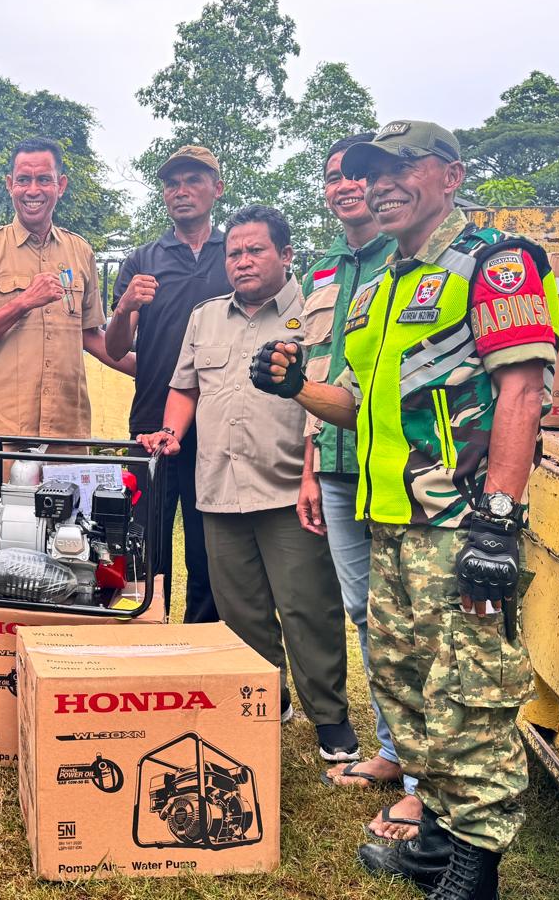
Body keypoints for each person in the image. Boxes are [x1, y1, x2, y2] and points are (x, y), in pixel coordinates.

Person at [252, 121, 559, 900]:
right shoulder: (381, 288)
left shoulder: (495, 264)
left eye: (400, 168)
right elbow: (354, 404)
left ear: (450, 176)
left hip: (459, 525)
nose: (380, 183)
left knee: (468, 695)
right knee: (405, 683)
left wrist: (497, 520)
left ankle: (473, 870)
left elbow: (523, 389)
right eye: (370, 170)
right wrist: (295, 387)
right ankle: (434, 841)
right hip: (388, 521)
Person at [139, 204, 358, 763]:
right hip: (219, 485)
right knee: (240, 609)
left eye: (255, 250)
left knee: (308, 607)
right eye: (234, 252)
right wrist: (172, 432)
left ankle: (330, 718)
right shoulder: (206, 316)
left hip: (288, 487)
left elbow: (331, 400)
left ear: (286, 254)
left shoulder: (315, 314)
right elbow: (185, 387)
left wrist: (312, 473)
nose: (242, 261)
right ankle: (267, 697)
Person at [300, 134, 421, 839]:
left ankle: (423, 775)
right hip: (338, 463)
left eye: (358, 175)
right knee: (364, 612)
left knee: (411, 618)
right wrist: (311, 468)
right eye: (334, 177)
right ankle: (392, 750)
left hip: (405, 469)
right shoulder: (324, 272)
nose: (347, 186)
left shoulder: (408, 258)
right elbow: (321, 374)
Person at [0, 138, 133, 548]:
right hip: (5, 433)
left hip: (68, 432)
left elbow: (91, 336)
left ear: (60, 185)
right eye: (23, 180)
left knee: (71, 544)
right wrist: (24, 302)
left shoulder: (80, 251)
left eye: (43, 179)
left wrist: (154, 371)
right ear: (9, 184)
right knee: (3, 543)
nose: (32, 189)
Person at [105, 145, 229, 621]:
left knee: (208, 546)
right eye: (172, 183)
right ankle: (146, 631)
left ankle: (199, 637)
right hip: (151, 422)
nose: (181, 191)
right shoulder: (143, 258)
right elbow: (116, 347)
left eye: (193, 180)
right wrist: (125, 306)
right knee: (144, 544)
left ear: (217, 189)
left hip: (218, 425)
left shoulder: (233, 254)